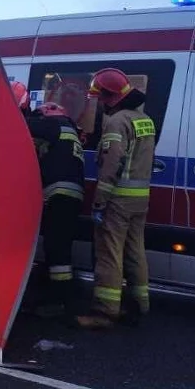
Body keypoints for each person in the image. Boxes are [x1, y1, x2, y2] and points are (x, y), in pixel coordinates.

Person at [77, 68, 156, 329]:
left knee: (109, 253)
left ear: (111, 96)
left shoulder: (116, 122)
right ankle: (139, 303)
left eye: (100, 97)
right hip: (140, 199)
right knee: (135, 251)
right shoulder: (144, 119)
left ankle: (105, 312)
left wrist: (99, 202)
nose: (98, 102)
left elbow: (111, 165)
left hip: (118, 199)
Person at [26, 101, 85, 318]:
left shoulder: (55, 125)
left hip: (60, 195)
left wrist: (14, 112)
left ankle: (59, 301)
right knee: (57, 244)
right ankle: (53, 292)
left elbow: (25, 125)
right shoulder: (67, 129)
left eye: (40, 116)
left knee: (56, 247)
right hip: (70, 196)